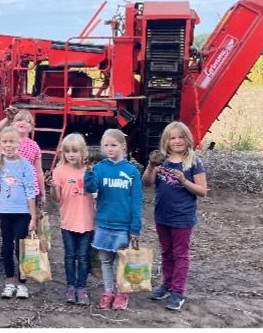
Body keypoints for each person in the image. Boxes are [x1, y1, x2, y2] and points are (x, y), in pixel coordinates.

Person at [143, 121, 208, 311]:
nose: (177, 141)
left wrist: (184, 181)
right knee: (166, 252)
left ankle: (177, 292)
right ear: (166, 141)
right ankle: (167, 284)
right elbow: (147, 183)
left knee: (180, 254)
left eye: (181, 137)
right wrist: (150, 166)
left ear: (187, 139)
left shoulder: (193, 162)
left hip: (182, 217)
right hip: (162, 215)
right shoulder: (161, 160)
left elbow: (203, 191)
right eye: (173, 138)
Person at [84, 129, 142, 311]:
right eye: (106, 145)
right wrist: (88, 172)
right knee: (106, 260)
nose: (109, 149)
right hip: (103, 222)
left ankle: (122, 293)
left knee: (122, 260)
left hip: (123, 224)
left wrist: (135, 228)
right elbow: (90, 189)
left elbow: (136, 202)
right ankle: (108, 291)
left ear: (123, 146)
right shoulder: (100, 168)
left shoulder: (131, 172)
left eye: (113, 145)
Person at [0, 126, 36, 300]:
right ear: (0, 144)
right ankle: (9, 281)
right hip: (5, 211)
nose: (8, 145)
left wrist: (33, 216)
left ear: (18, 143)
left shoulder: (24, 165)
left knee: (21, 247)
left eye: (11, 141)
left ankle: (22, 283)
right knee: (7, 246)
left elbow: (30, 190)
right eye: (5, 142)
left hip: (22, 212)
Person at [51, 133, 95, 305]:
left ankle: (81, 287)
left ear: (82, 152)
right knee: (70, 255)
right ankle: (70, 287)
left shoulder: (89, 171)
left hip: (87, 221)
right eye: (68, 151)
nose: (71, 154)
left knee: (83, 256)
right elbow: (56, 198)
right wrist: (54, 188)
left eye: (75, 151)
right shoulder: (59, 171)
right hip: (68, 220)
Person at [0, 110, 45, 210]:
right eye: (20, 120)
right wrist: (7, 119)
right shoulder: (6, 142)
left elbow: (39, 171)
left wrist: (42, 193)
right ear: (12, 124)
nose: (23, 122)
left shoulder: (34, 146)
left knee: (27, 221)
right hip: (11, 188)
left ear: (31, 127)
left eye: (27, 121)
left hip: (30, 189)